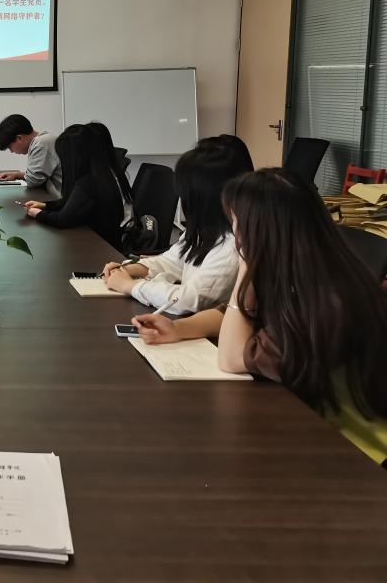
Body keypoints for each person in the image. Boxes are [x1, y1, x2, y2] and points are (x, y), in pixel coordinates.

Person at [134, 169, 387, 465]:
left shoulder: (325, 303)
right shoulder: (310, 271)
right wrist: (178, 328)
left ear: (261, 232)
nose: (235, 237)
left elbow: (231, 357)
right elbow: (237, 315)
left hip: (360, 453)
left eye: (237, 225)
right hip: (315, 427)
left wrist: (247, 266)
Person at [100, 143, 250, 315]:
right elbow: (170, 262)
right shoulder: (204, 231)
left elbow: (190, 300)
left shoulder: (232, 247)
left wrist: (130, 286)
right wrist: (130, 269)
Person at [22, 124, 125, 249]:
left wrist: (37, 214)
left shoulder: (89, 182)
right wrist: (45, 205)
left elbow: (63, 219)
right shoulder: (97, 175)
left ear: (74, 156)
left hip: (100, 249)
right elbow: (71, 202)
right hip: (101, 242)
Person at [0, 114, 62, 199]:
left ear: (19, 138)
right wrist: (17, 175)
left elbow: (33, 181)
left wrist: (20, 175)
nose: (11, 151)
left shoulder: (41, 144)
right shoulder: (44, 139)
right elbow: (37, 176)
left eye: (10, 147)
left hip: (61, 201)